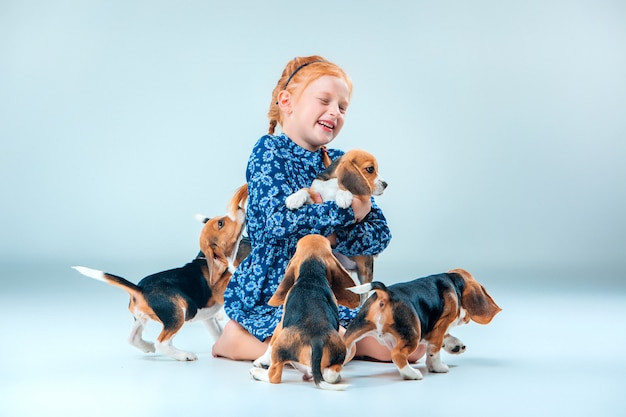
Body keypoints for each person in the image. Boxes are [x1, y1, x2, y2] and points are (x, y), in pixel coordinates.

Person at [212, 55, 425, 363]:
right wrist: (346, 216)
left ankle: (351, 340)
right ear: (287, 102)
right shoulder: (268, 152)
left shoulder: (341, 160)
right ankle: (233, 340)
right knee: (328, 352)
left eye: (342, 107)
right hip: (278, 285)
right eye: (324, 100)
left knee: (413, 348)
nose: (334, 112)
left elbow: (379, 234)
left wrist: (338, 230)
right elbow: (277, 223)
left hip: (326, 284)